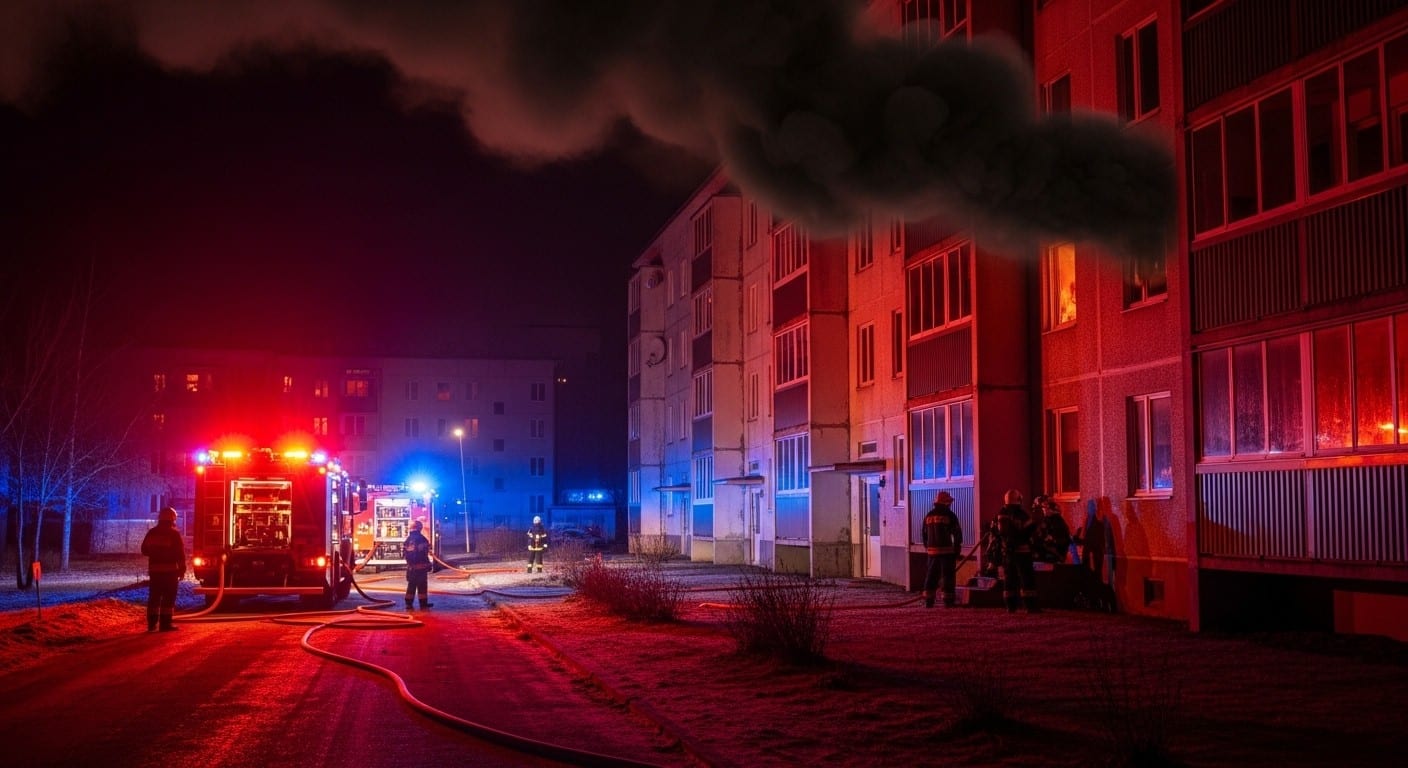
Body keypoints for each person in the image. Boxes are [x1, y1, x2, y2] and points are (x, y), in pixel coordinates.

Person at [141, 506, 186, 632]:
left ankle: (151, 625)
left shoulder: (152, 533)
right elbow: (180, 554)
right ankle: (165, 624)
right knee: (168, 597)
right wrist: (182, 569)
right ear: (172, 519)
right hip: (170, 572)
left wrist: (155, 553)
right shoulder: (174, 534)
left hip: (155, 572)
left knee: (154, 597)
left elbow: (144, 550)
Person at [995, 489, 1039, 613]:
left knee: (1009, 579)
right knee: (1026, 579)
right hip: (1023, 553)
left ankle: (1010, 606)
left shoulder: (1001, 514)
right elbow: (1030, 531)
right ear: (1019, 500)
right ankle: (1030, 607)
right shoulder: (1022, 514)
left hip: (1007, 553)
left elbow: (997, 533)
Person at [920, 491, 963, 608]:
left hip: (932, 552)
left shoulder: (929, 515)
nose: (950, 504)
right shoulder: (950, 515)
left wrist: (927, 547)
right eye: (949, 502)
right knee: (947, 576)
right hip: (946, 552)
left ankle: (929, 600)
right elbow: (957, 533)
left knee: (931, 575)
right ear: (946, 502)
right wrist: (957, 549)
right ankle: (948, 601)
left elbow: (924, 534)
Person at [403, 519, 433, 610]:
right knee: (422, 586)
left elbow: (406, 554)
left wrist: (410, 564)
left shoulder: (408, 540)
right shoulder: (422, 539)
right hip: (421, 567)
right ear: (420, 528)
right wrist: (428, 564)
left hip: (411, 568)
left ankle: (408, 604)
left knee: (411, 585)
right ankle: (423, 604)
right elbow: (424, 553)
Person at [1033, 495, 1072, 564]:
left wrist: (1049, 539)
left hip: (1055, 555)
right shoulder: (1051, 520)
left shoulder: (1055, 521)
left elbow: (1059, 540)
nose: (1043, 511)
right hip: (1053, 553)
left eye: (1044, 508)